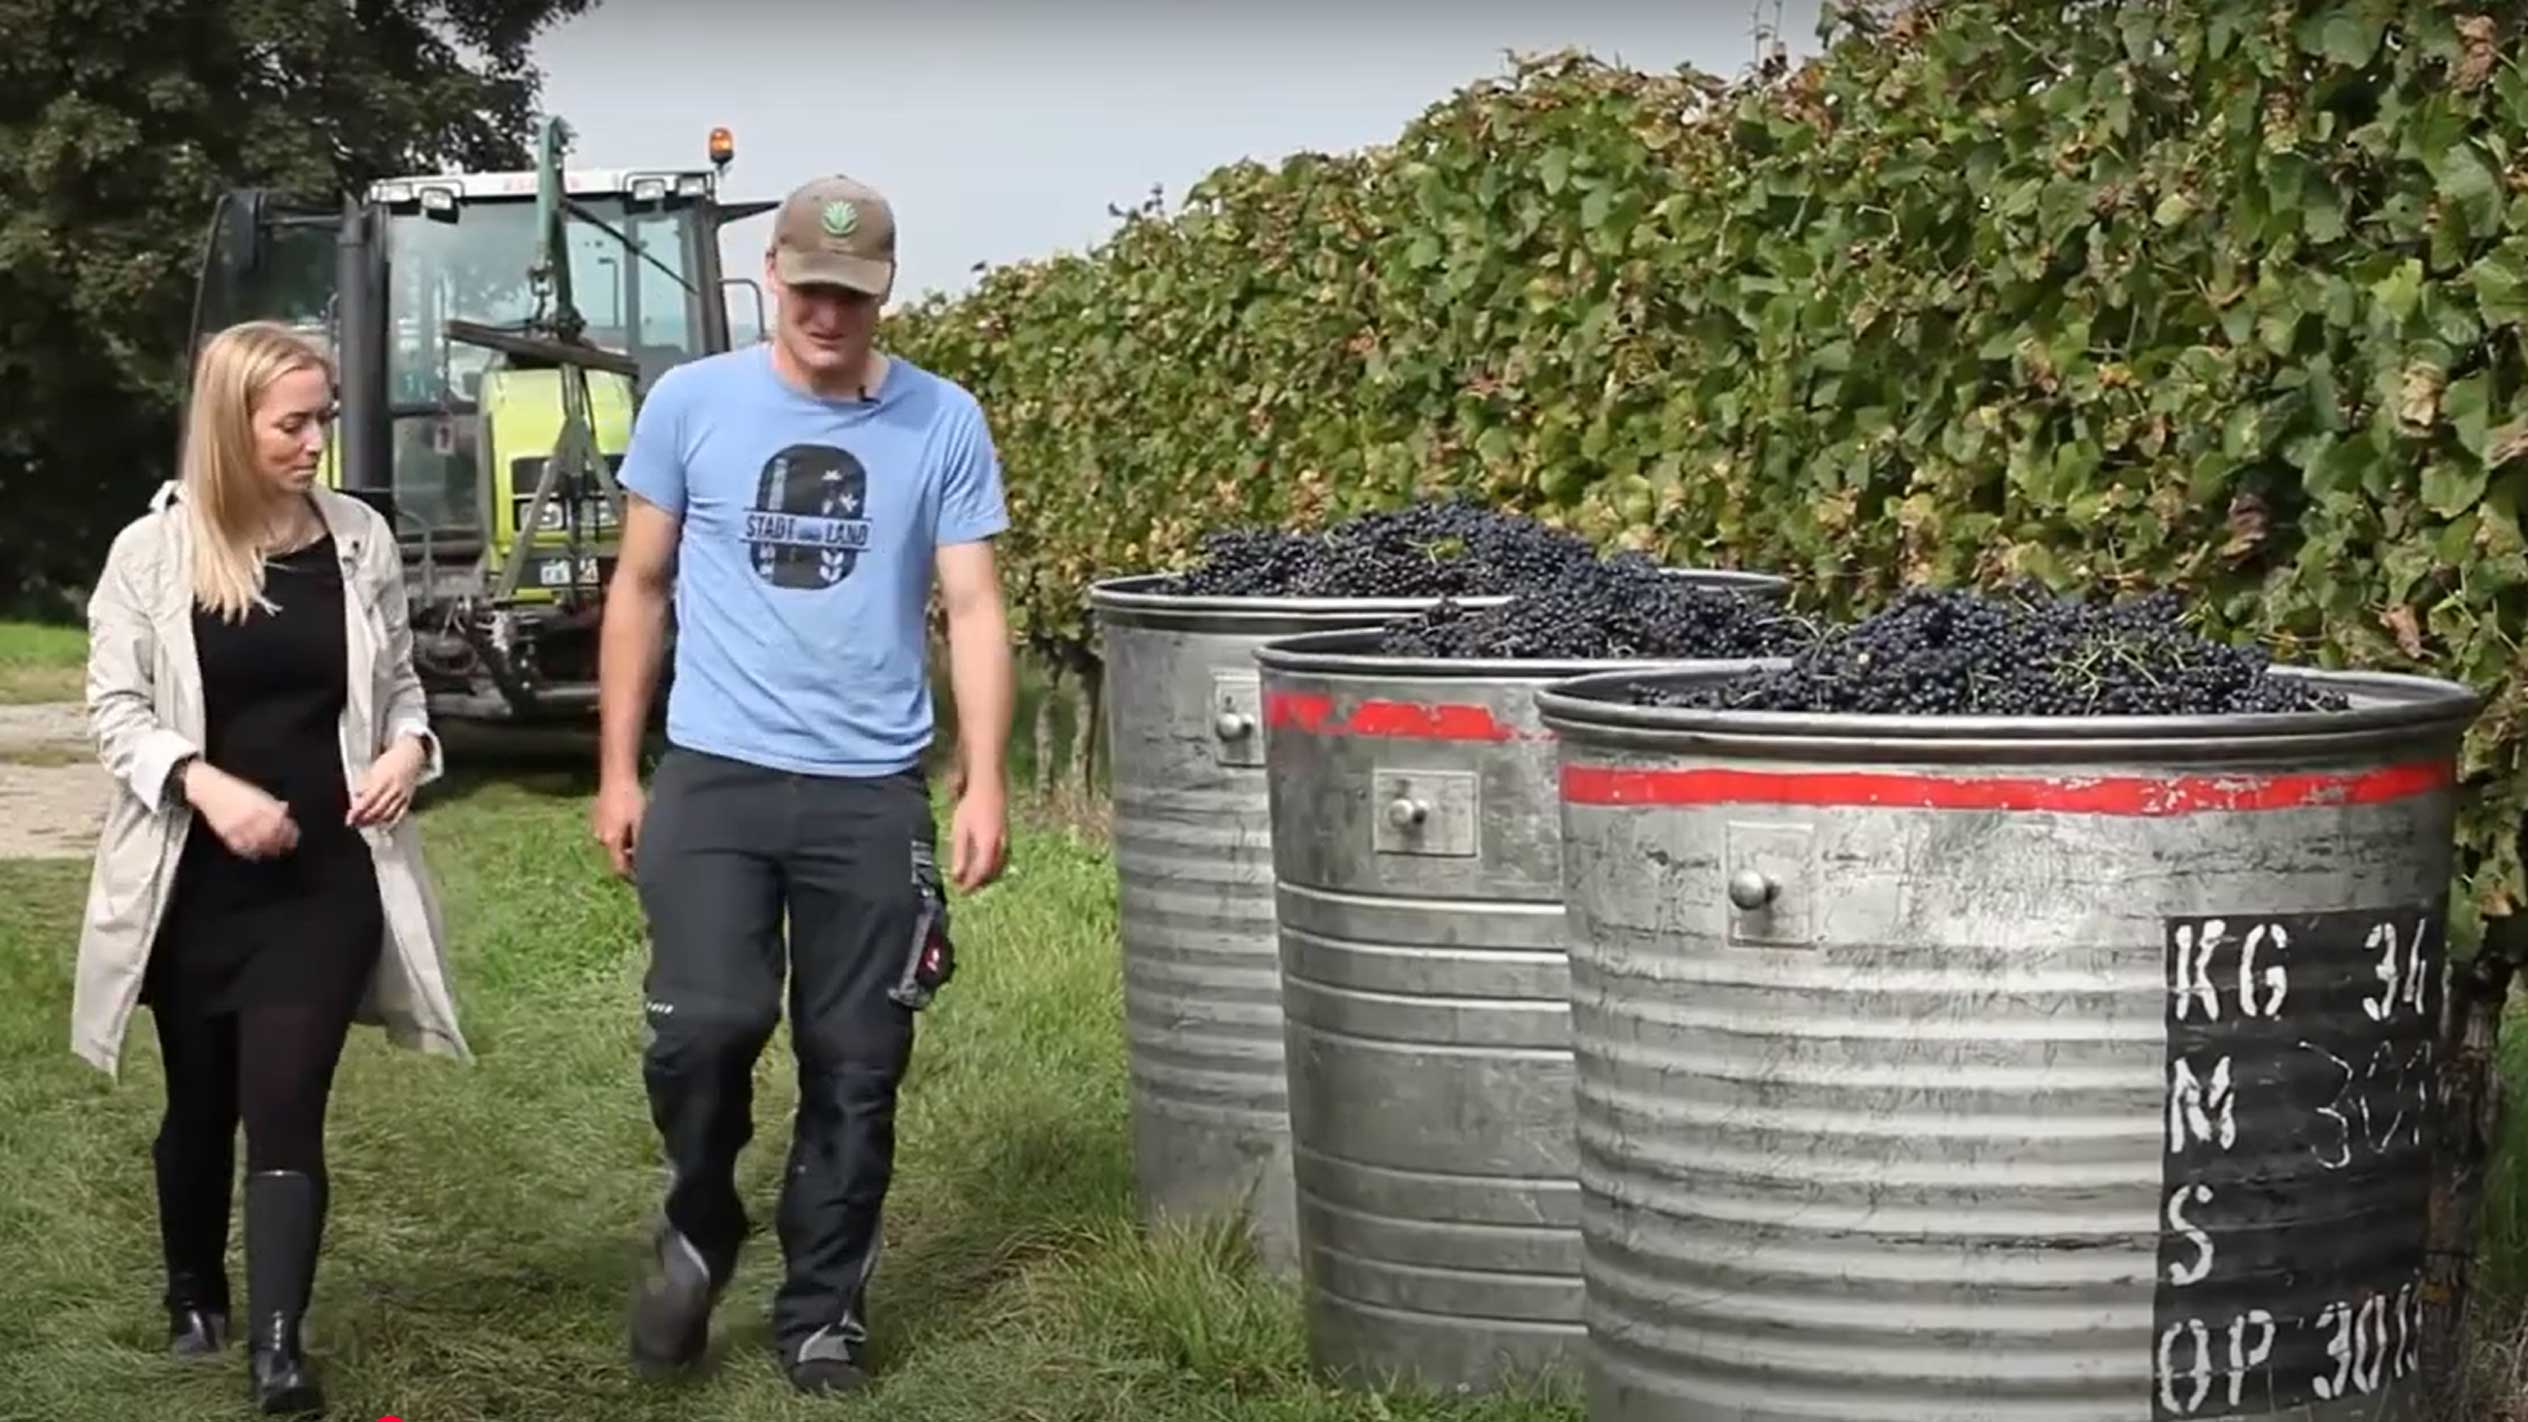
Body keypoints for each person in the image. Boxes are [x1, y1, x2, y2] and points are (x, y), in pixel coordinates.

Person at [590, 173, 1016, 1396]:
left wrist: (982, 781)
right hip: (715, 777)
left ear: (884, 293)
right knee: (707, 1029)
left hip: (869, 789)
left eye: (856, 294)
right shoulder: (692, 405)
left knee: (856, 1057)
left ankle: (821, 1308)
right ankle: (698, 1219)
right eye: (812, 288)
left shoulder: (940, 419)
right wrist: (619, 770)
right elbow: (640, 588)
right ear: (771, 276)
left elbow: (975, 604)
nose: (831, 313)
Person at [70, 320, 471, 1416]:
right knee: (202, 1103)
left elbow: (399, 690)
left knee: (286, 1099)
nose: (314, 444)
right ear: (230, 424)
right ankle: (194, 1287)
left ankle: (280, 1348)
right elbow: (112, 712)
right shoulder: (148, 557)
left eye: (322, 420)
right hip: (195, 886)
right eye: (291, 424)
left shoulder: (357, 542)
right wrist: (205, 784)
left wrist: (406, 750)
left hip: (326, 882)